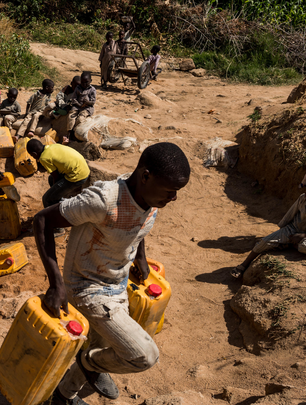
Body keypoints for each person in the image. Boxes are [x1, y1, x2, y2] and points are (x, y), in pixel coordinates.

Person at [33, 142, 191, 405]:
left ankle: (63, 397)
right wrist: (56, 283)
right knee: (143, 356)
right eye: (170, 190)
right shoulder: (103, 200)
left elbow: (139, 222)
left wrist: (140, 257)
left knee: (103, 346)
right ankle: (88, 363)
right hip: (86, 287)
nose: (173, 197)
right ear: (145, 176)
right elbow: (42, 220)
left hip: (118, 283)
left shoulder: (149, 196)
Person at [232, 172, 306, 279]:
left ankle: (289, 244)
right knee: (264, 242)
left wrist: (304, 235)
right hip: (293, 229)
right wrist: (281, 232)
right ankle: (244, 264)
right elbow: (290, 214)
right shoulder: (303, 198)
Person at [27, 139, 90, 209]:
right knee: (50, 179)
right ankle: (58, 200)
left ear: (34, 154)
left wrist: (54, 191)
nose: (33, 157)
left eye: (32, 155)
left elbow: (56, 177)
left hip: (77, 176)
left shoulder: (43, 158)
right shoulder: (52, 146)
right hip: (83, 168)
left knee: (47, 199)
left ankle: (54, 213)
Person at [66, 72, 96, 145]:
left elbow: (93, 101)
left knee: (80, 119)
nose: (84, 84)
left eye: (86, 82)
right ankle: (69, 133)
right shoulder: (78, 88)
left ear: (91, 81)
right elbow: (74, 98)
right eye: (82, 82)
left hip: (87, 108)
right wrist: (78, 104)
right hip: (77, 106)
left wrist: (87, 102)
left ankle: (76, 133)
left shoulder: (92, 89)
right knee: (71, 117)